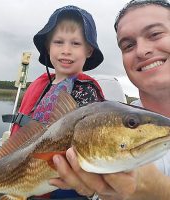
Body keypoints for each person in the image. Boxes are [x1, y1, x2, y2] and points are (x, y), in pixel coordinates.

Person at [0, 5, 105, 200]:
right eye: (58, 42)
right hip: (24, 174)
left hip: (65, 187)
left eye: (75, 43)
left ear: (89, 50)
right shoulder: (41, 87)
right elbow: (24, 138)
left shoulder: (87, 93)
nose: (66, 50)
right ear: (48, 47)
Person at [48, 0, 170, 200]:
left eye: (155, 34)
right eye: (128, 45)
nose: (141, 51)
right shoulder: (113, 122)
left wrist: (158, 190)